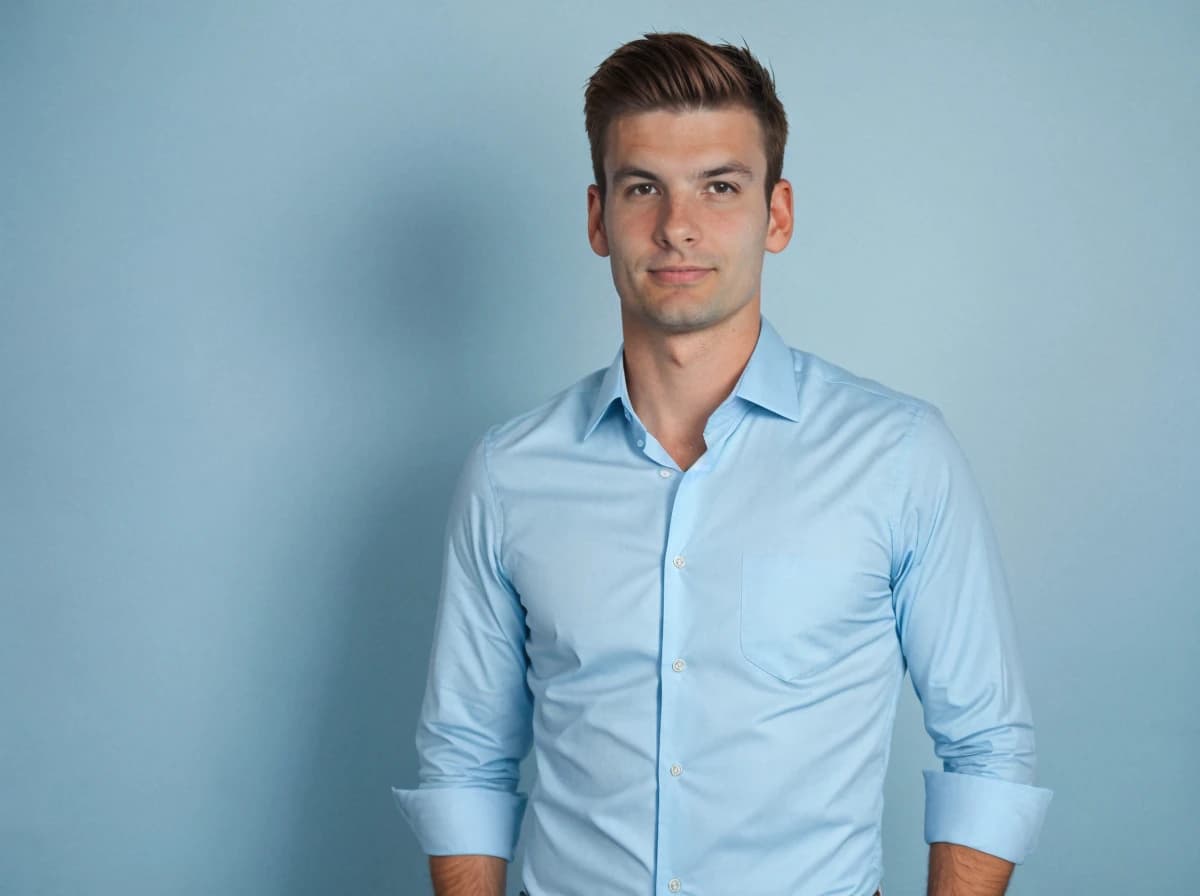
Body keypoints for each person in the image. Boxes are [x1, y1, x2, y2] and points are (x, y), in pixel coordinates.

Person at [392, 32, 1052, 896]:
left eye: (720, 186)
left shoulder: (898, 457)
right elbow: (466, 761)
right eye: (643, 189)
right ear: (598, 218)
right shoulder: (508, 472)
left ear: (777, 215)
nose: (678, 227)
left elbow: (988, 750)